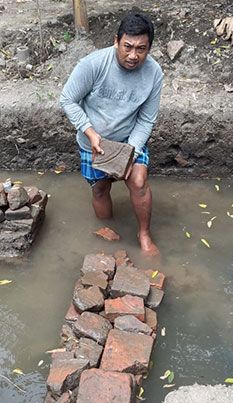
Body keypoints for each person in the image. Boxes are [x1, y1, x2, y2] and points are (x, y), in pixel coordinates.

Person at [59, 13, 163, 256]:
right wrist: (91, 133)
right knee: (100, 188)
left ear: (149, 48)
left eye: (141, 49)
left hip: (129, 139)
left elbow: (147, 119)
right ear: (116, 41)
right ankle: (108, 232)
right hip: (94, 141)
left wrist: (131, 152)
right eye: (127, 46)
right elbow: (68, 99)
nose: (133, 55)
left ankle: (144, 235)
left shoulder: (154, 73)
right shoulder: (92, 64)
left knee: (138, 182)